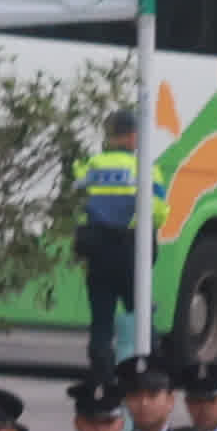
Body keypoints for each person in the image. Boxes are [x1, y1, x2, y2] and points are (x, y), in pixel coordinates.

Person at [73, 105, 145, 367]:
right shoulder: (141, 168)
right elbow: (158, 212)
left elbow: (76, 199)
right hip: (129, 252)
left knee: (101, 322)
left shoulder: (91, 166)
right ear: (132, 136)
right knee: (141, 317)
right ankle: (140, 376)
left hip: (97, 252)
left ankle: (102, 379)